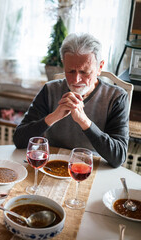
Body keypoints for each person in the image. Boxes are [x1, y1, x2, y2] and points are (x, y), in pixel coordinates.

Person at [13, 33, 129, 167]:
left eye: (84, 72)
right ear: (64, 65)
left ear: (100, 67)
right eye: (70, 71)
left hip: (91, 168)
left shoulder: (117, 97)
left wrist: (84, 121)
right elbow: (19, 140)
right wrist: (54, 116)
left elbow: (118, 157)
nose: (76, 80)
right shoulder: (50, 90)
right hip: (51, 165)